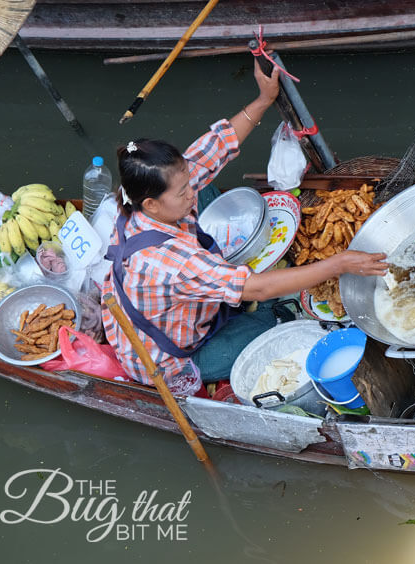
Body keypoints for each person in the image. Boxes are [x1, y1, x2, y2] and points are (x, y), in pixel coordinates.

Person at [101, 60, 388, 395]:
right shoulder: (169, 261)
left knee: (205, 187)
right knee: (278, 313)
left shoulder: (143, 203)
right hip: (172, 359)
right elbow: (259, 289)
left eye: (185, 182)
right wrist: (339, 263)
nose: (189, 189)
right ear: (150, 203)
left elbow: (215, 148)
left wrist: (264, 99)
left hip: (177, 301)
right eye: (181, 192)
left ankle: (227, 285)